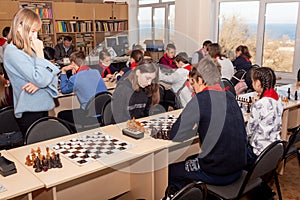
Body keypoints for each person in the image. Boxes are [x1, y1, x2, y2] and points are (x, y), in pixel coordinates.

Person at [164, 57, 247, 197]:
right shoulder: (229, 95)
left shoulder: (201, 99)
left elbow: (175, 133)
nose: (193, 88)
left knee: (170, 171)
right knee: (190, 158)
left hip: (218, 172)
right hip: (238, 168)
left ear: (201, 80)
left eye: (193, 83)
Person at [4, 8, 59, 136]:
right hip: (29, 109)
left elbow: (52, 75)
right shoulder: (13, 52)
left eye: (37, 32)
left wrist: (39, 83)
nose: (35, 37)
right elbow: (42, 77)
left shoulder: (28, 49)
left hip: (42, 105)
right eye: (33, 31)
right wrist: (40, 55)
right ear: (19, 27)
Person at [246, 67, 284, 167]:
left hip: (258, 152)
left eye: (253, 81)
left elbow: (249, 131)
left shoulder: (260, 104)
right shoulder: (278, 99)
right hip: (273, 148)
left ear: (258, 83)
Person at [58, 51, 107, 126]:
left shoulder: (75, 78)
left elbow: (64, 90)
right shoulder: (96, 72)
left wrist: (63, 71)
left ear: (73, 63)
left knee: (61, 114)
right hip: (103, 112)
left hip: (89, 116)